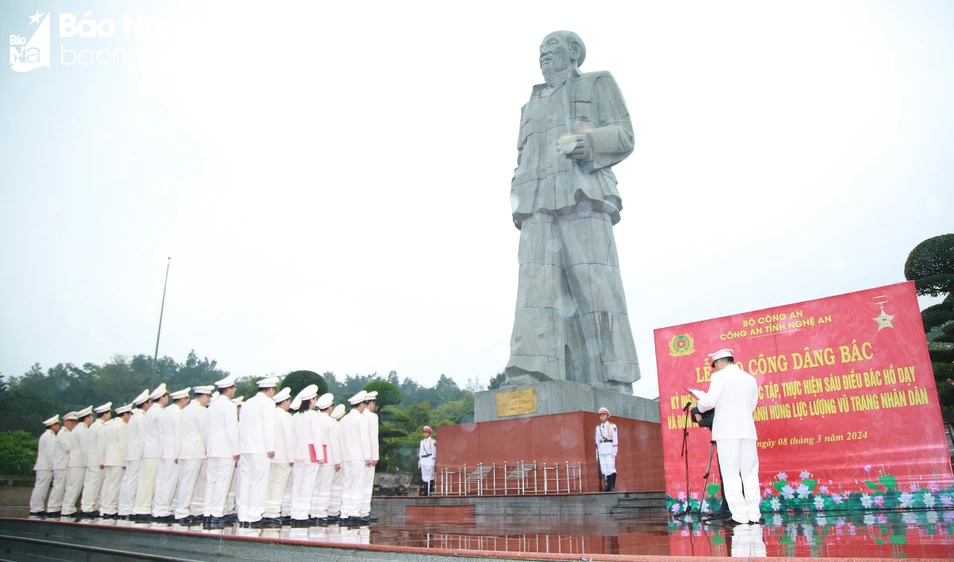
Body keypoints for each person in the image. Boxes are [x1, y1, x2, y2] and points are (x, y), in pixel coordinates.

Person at [505, 30, 639, 393]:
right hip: (536, 204)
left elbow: (624, 134)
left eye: (552, 48)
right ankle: (532, 370)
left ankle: (613, 376)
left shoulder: (598, 83)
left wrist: (588, 142)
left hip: (583, 194)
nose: (543, 55)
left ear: (574, 52)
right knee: (534, 290)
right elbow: (521, 157)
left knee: (597, 287)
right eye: (540, 51)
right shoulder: (529, 105)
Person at [693, 349, 761, 526]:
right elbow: (752, 406)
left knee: (731, 474)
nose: (714, 370)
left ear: (720, 363)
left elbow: (709, 402)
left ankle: (740, 516)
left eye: (715, 366)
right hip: (747, 430)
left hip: (727, 432)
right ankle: (754, 514)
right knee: (750, 474)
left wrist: (699, 405)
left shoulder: (720, 376)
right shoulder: (750, 378)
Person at [237, 376, 278, 528]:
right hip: (260, 448)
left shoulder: (247, 402)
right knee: (259, 481)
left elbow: (241, 425)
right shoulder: (268, 403)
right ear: (270, 389)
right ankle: (255, 514)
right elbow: (269, 426)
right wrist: (271, 447)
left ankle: (243, 514)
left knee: (245, 481)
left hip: (246, 447)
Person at [203, 374, 240, 529]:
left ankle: (208, 512)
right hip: (225, 449)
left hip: (213, 449)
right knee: (222, 482)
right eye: (233, 388)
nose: (234, 391)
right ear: (229, 389)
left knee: (211, 481)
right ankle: (217, 513)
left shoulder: (212, 405)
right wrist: (236, 450)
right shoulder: (229, 406)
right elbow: (231, 429)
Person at [174, 385, 213, 525]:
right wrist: (209, 449)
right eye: (208, 397)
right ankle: (182, 512)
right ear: (203, 396)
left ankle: (181, 509)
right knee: (189, 482)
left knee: (184, 481)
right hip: (195, 450)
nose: (209, 400)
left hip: (184, 450)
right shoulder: (201, 411)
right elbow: (205, 433)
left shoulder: (185, 410)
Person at [153, 387, 190, 522]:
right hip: (173, 451)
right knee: (170, 481)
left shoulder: (166, 412)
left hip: (163, 450)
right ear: (181, 400)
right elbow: (179, 434)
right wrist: (178, 452)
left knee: (161, 480)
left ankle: (158, 508)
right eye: (186, 399)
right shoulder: (178, 414)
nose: (187, 402)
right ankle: (163, 510)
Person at [134, 383, 168, 521]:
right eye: (166, 396)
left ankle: (142, 507)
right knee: (150, 481)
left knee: (145, 481)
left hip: (148, 450)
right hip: (154, 451)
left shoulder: (149, 412)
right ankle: (143, 509)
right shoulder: (159, 412)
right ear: (162, 398)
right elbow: (162, 433)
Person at [339, 390, 372, 526]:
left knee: (347, 484)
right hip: (358, 456)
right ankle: (354, 512)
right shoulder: (361, 419)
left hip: (346, 456)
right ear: (361, 405)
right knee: (358, 484)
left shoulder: (344, 419)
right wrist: (368, 456)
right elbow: (365, 439)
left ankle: (344, 512)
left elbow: (341, 439)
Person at [263, 387, 294, 527]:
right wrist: (291, 457)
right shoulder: (286, 416)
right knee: (279, 485)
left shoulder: (270, 414)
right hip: (282, 457)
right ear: (285, 402)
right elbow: (289, 439)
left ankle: (265, 510)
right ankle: (274, 512)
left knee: (268, 484)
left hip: (269, 456)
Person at [289, 385, 320, 526]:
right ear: (311, 401)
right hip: (310, 452)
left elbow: (292, 436)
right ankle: (303, 514)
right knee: (308, 483)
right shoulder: (314, 415)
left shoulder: (295, 416)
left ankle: (295, 512)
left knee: (297, 483)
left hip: (297, 452)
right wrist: (319, 455)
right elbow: (316, 436)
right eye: (315, 399)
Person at [118, 390, 150, 519]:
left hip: (132, 453)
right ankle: (129, 508)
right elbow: (143, 437)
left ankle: (124, 507)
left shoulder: (134, 417)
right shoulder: (141, 417)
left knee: (128, 481)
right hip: (138, 454)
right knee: (133, 481)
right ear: (146, 404)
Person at [79, 402, 111, 518]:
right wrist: (103, 461)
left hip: (92, 460)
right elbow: (102, 446)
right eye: (109, 413)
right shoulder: (101, 427)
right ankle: (88, 508)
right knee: (94, 485)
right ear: (105, 414)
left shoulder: (93, 426)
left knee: (90, 484)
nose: (109, 415)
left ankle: (88, 506)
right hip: (98, 461)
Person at [311, 392, 339, 525]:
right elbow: (334, 443)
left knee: (315, 484)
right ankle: (321, 512)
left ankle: (313, 511)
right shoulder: (331, 422)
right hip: (328, 456)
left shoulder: (314, 419)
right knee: (325, 486)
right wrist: (338, 461)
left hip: (315, 454)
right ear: (329, 407)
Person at [100, 403, 133, 518]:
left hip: (110, 459)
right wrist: (125, 461)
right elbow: (123, 445)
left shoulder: (111, 425)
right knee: (115, 485)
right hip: (118, 460)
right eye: (130, 414)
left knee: (108, 484)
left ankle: (105, 507)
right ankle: (111, 509)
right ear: (125, 414)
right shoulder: (123, 426)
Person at [62, 405, 93, 517]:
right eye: (91, 416)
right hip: (79, 463)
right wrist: (87, 463)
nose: (92, 419)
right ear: (87, 417)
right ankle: (68, 508)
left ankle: (68, 507)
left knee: (72, 486)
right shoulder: (83, 430)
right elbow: (85, 448)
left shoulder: (76, 429)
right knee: (75, 486)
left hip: (75, 462)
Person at [46, 411, 76, 518]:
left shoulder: (70, 433)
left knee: (66, 487)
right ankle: (52, 507)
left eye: (74, 422)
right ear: (65, 422)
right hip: (61, 465)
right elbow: (68, 447)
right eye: (71, 422)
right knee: (58, 487)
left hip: (67, 465)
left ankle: (59, 507)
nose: (73, 424)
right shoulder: (62, 433)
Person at [30, 415, 60, 516]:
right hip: (46, 466)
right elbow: (51, 453)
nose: (58, 427)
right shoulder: (50, 436)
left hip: (43, 465)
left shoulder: (45, 435)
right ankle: (37, 508)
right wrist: (53, 466)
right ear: (53, 426)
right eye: (57, 425)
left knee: (39, 487)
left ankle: (36, 507)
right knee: (41, 487)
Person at [359, 391, 379, 522]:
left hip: (357, 455)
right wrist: (374, 456)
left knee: (356, 484)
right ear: (371, 403)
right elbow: (373, 438)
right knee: (366, 484)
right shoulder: (372, 417)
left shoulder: (357, 416)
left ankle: (356, 510)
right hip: (369, 456)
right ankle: (364, 511)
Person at [326, 403, 346, 522]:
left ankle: (332, 510)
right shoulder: (338, 427)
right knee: (337, 486)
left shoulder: (333, 425)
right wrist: (338, 460)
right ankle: (334, 510)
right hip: (338, 459)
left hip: (332, 458)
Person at [594, 407, 618, 492]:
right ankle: (607, 486)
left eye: (603, 415)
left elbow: (615, 439)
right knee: (604, 469)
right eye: (600, 415)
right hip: (601, 449)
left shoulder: (612, 426)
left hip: (609, 448)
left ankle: (612, 486)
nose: (601, 417)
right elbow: (597, 441)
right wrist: (597, 453)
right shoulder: (598, 428)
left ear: (607, 416)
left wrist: (614, 451)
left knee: (611, 468)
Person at [418, 426, 436, 496]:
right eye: (424, 432)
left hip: (429, 460)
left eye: (426, 433)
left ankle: (428, 492)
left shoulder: (433, 441)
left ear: (429, 433)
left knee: (430, 477)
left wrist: (433, 462)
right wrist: (419, 463)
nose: (424, 434)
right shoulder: (422, 442)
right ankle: (425, 492)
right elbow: (420, 453)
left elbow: (434, 452)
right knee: (424, 477)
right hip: (423, 461)